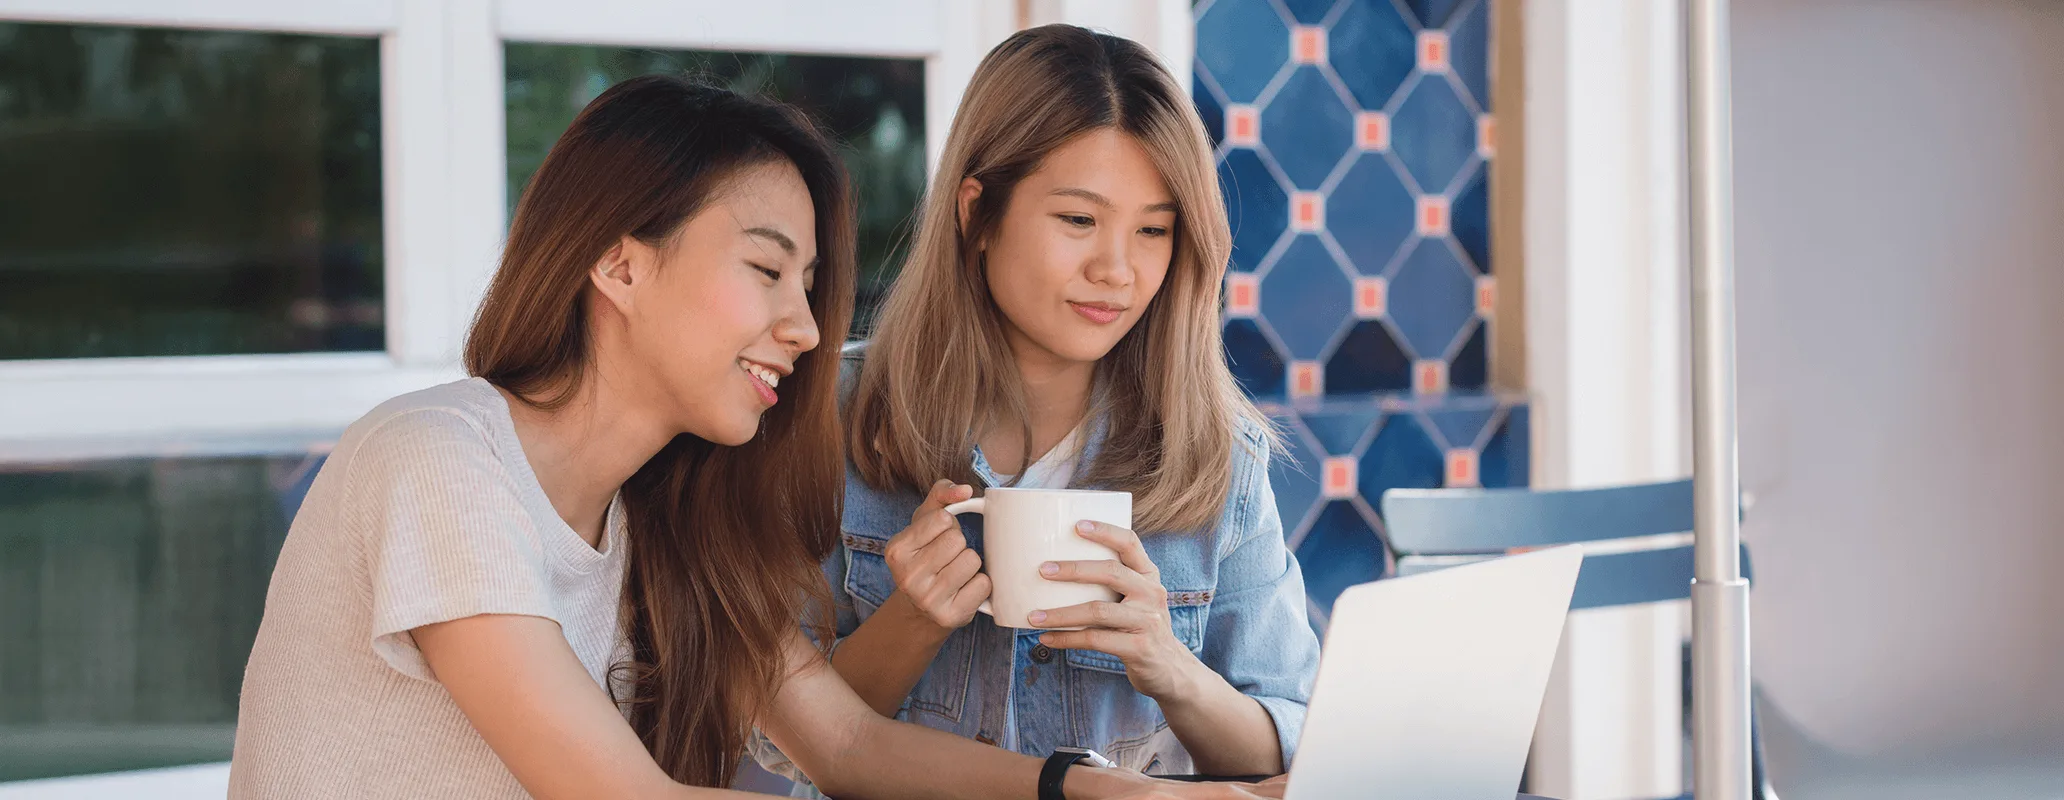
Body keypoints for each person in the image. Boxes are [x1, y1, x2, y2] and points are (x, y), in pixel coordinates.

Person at [228, 74, 1277, 800]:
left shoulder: (669, 509)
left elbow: (848, 740)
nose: (810, 327)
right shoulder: (442, 461)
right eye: (767, 271)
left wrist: (1086, 786)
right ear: (619, 264)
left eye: (812, 284)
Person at [755, 24, 1322, 794]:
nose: (1116, 270)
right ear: (977, 214)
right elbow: (788, 745)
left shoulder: (1217, 456)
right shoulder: (832, 418)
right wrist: (912, 619)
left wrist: (1168, 664)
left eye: (1153, 230)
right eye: (1078, 220)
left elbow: (1292, 748)